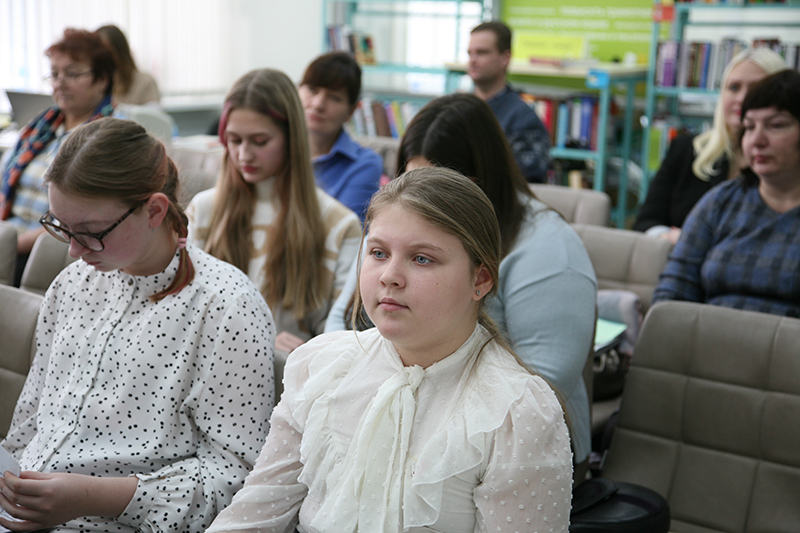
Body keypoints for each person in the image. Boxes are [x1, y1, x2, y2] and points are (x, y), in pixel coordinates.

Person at [205, 167, 573, 533]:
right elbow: (254, 515)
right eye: (379, 253)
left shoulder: (514, 412)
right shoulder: (322, 367)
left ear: (481, 278)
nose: (389, 276)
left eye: (422, 258)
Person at [0, 118, 275, 533]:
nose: (73, 251)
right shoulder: (73, 284)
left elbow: (234, 480)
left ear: (155, 210)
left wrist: (94, 497)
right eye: (61, 227)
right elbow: (30, 423)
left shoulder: (225, 308)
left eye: (91, 232)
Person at [326, 93, 597, 467]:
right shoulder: (400, 232)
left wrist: (411, 411)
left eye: (442, 186)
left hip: (509, 450)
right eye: (414, 180)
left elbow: (544, 385)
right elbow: (344, 318)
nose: (423, 201)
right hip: (394, 426)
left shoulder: (549, 247)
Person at [187, 69, 361, 355]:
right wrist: (259, 336)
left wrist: (299, 349)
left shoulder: (339, 225)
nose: (244, 155)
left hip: (292, 375)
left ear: (292, 139)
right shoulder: (202, 210)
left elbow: (342, 339)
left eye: (260, 141)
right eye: (234, 140)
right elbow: (184, 313)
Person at [652, 68, 800, 318]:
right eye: (749, 127)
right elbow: (672, 292)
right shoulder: (719, 202)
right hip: (708, 338)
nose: (757, 140)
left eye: (776, 125)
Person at [0, 28, 121, 285]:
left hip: (48, 247)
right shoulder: (41, 126)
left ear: (101, 80)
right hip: (8, 234)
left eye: (72, 74)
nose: (60, 83)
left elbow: (79, 220)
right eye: (54, 74)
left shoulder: (109, 134)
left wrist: (11, 244)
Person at [633, 47, 787, 245]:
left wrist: (693, 239)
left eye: (756, 89)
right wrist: (669, 238)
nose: (742, 98)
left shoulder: (785, 166)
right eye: (734, 87)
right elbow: (646, 222)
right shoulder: (685, 149)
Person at [299, 51, 383, 222]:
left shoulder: (364, 164)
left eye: (334, 97)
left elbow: (345, 231)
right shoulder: (274, 147)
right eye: (312, 90)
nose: (318, 104)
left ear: (351, 111)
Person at [467, 21, 551, 183]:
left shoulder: (523, 118)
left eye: (482, 52)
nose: (472, 60)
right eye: (470, 53)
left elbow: (528, 178)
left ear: (505, 58)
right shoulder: (458, 109)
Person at [96, 24, 160, 106]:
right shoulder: (92, 85)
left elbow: (152, 113)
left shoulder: (145, 83)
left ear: (120, 52)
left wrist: (121, 108)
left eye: (105, 52)